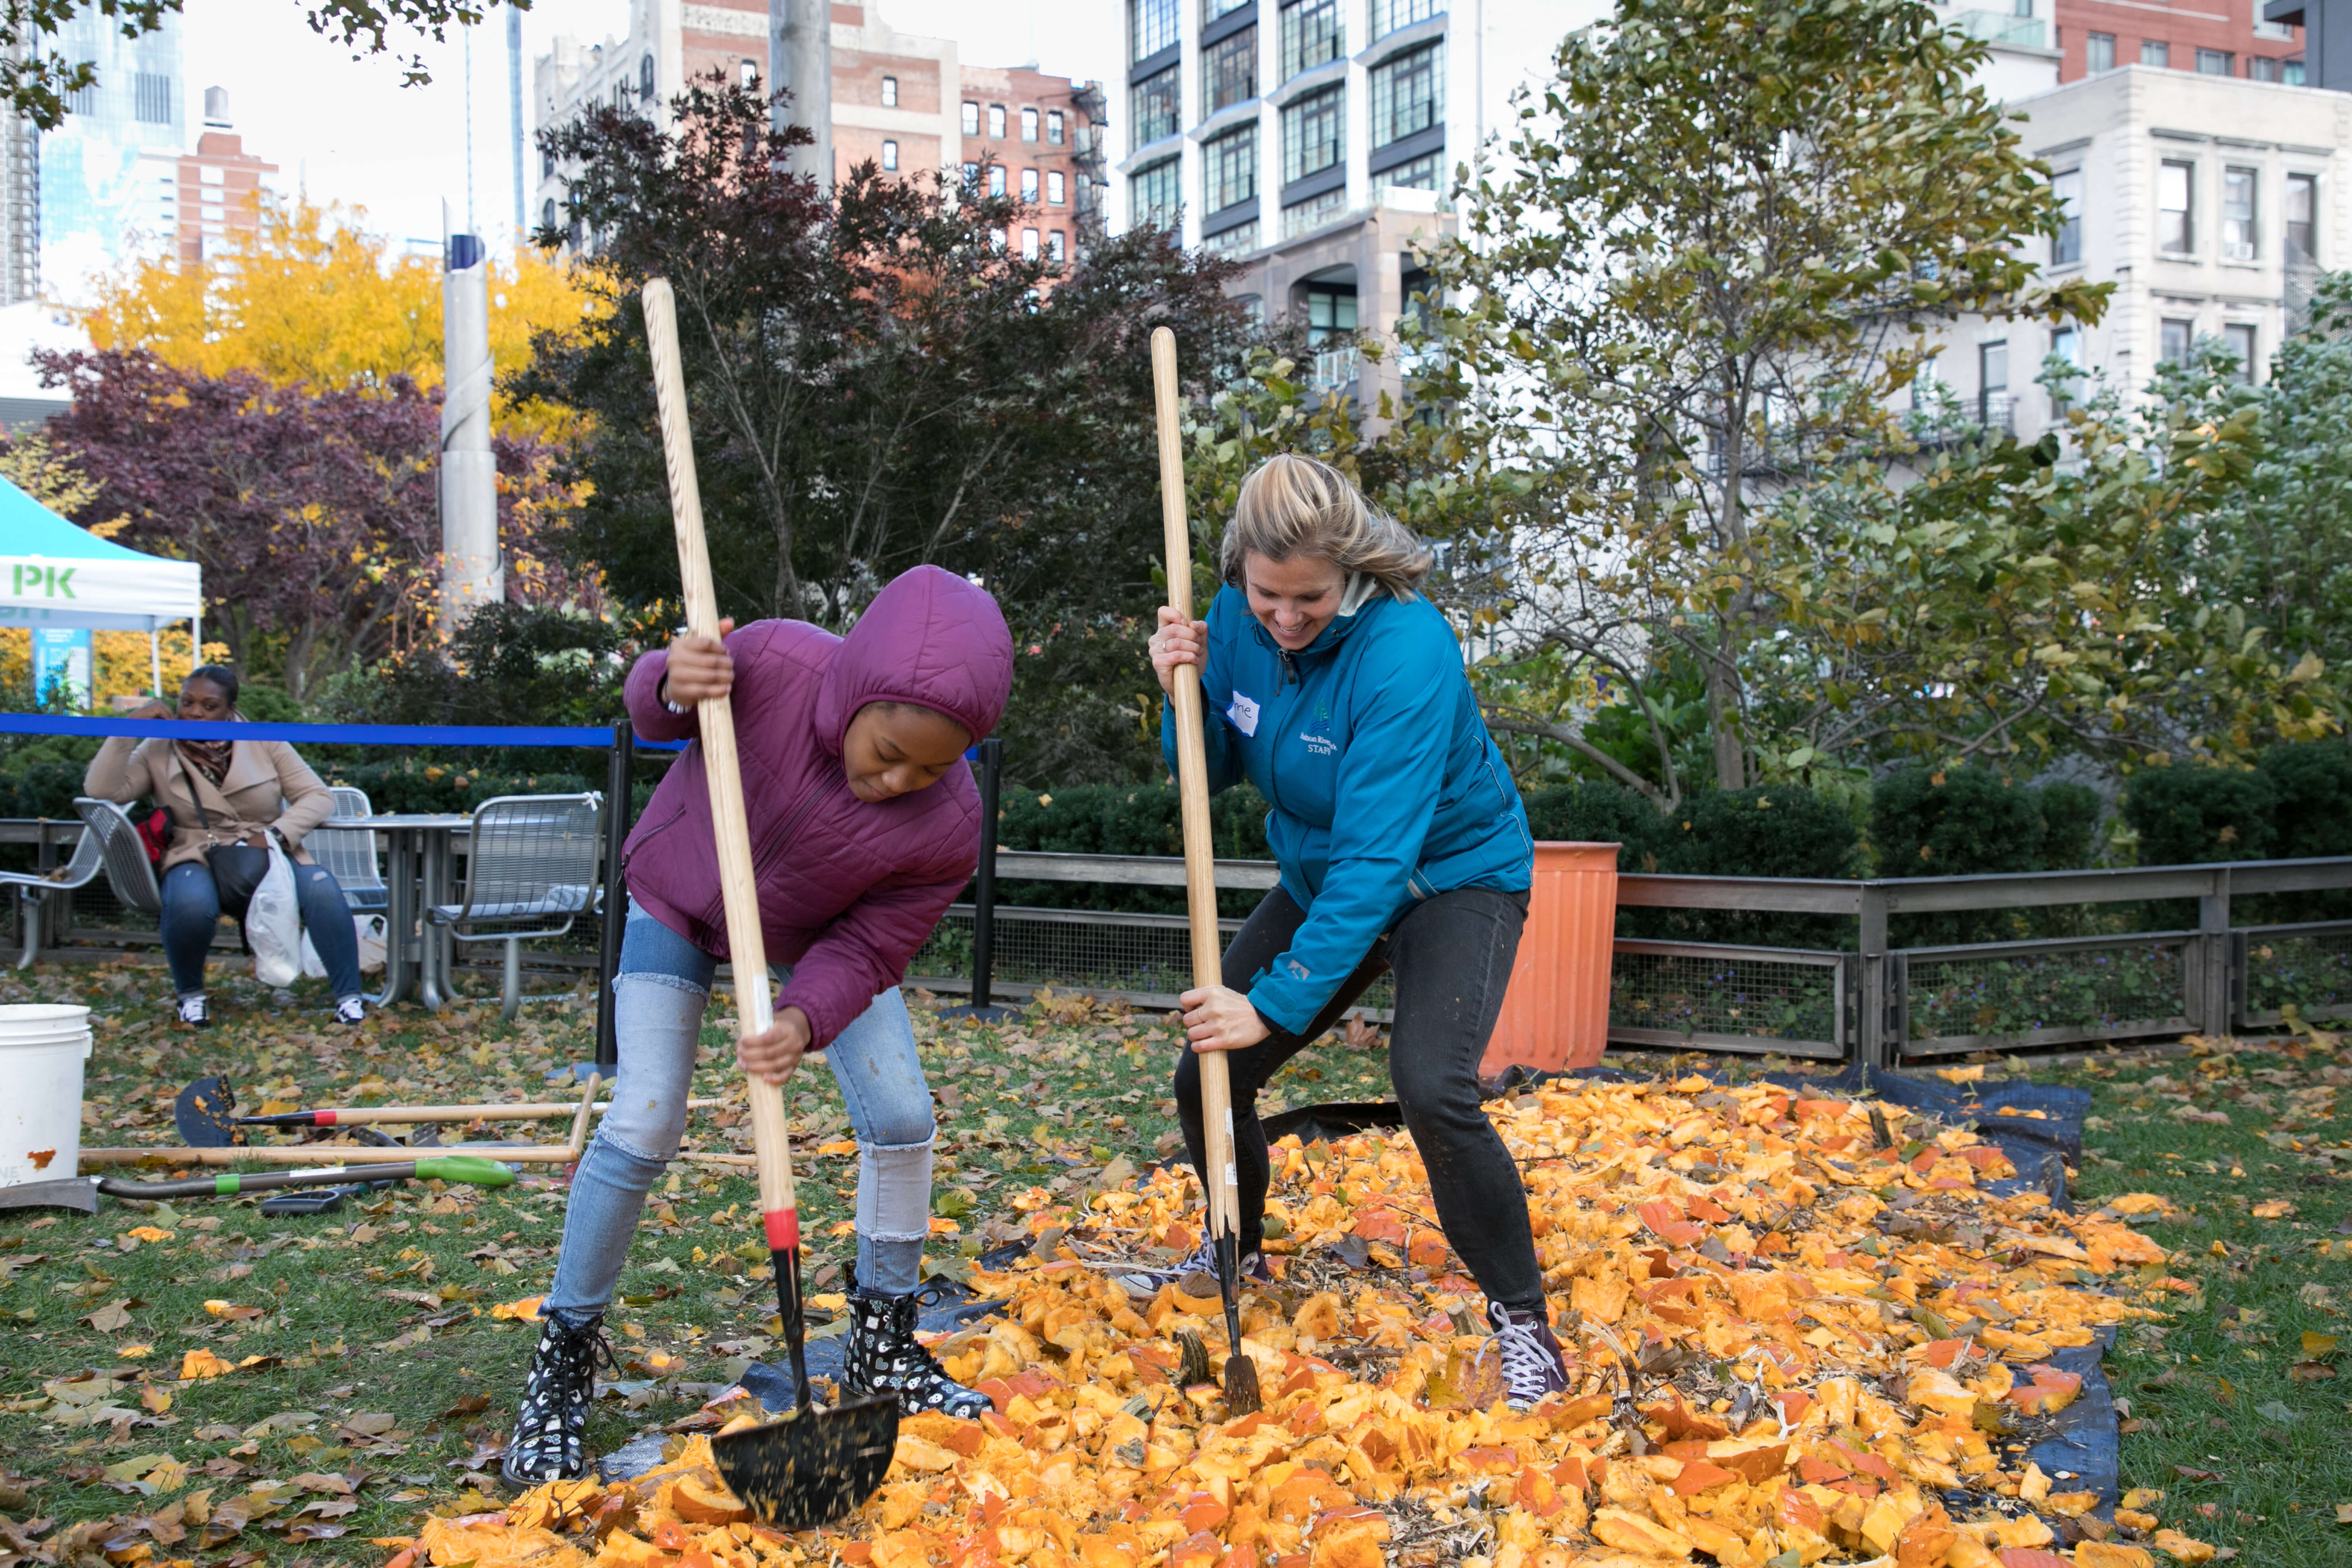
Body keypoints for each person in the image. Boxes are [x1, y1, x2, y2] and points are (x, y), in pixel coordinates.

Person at [502, 564, 1015, 1486]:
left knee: (901, 1117)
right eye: (891, 749)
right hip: (679, 896)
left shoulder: (948, 823)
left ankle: (885, 1344)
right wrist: (669, 676)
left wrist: (802, 1015)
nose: (900, 780)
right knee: (648, 1115)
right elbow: (657, 711)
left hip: (814, 937)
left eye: (932, 768)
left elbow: (870, 945)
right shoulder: (775, 660)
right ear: (858, 692)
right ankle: (565, 1359)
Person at [1141, 453, 1572, 1411]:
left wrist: (1275, 1003)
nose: (1287, 618)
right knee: (1206, 1074)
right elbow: (1203, 776)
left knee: (1430, 1083)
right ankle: (1236, 1257)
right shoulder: (1234, 620)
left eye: (1311, 598)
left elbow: (1380, 861)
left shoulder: (1406, 650)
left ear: (1353, 571)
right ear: (1239, 572)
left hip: (1448, 878)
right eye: (1266, 596)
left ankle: (1523, 1324)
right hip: (1324, 872)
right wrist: (1187, 686)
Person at [84, 665, 366, 1029]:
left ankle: (350, 999)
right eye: (186, 702)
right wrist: (128, 728)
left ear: (230, 709)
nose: (195, 712)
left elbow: (317, 796)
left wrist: (276, 835)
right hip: (195, 851)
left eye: (209, 705)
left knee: (321, 887)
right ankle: (190, 998)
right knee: (189, 901)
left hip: (263, 849)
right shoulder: (158, 746)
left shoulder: (264, 740)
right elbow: (102, 790)